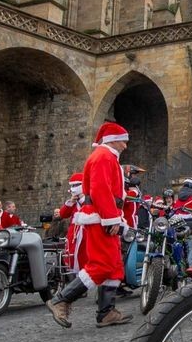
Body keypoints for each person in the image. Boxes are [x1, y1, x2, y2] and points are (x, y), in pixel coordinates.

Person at [46, 122, 134, 328]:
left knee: (113, 266)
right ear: (113, 140)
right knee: (102, 265)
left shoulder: (106, 157)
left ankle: (106, 312)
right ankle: (62, 299)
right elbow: (100, 190)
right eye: (123, 141)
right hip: (100, 217)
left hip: (102, 215)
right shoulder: (103, 157)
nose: (125, 146)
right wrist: (111, 219)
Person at [56, 173, 84, 271]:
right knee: (71, 257)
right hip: (73, 233)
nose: (73, 188)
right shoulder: (73, 202)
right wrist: (70, 202)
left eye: (76, 185)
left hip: (85, 232)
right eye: (72, 186)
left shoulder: (88, 199)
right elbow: (63, 214)